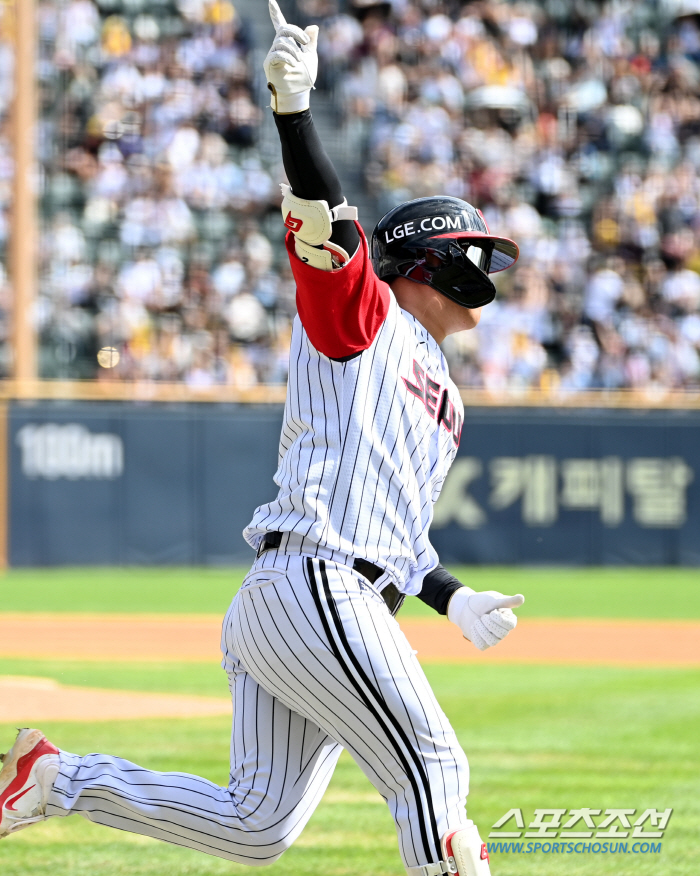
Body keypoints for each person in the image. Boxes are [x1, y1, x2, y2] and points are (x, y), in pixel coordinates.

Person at [0, 5, 524, 875]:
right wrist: (294, 114)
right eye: (474, 254)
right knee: (436, 772)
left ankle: (57, 779)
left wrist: (449, 594)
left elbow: (396, 535)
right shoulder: (368, 316)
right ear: (432, 260)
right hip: (314, 584)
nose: (488, 274)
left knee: (257, 826)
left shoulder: (448, 399)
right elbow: (326, 225)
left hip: (323, 595)